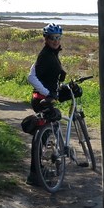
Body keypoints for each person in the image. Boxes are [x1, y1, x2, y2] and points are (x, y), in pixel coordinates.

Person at [26, 23, 66, 185]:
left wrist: (57, 89)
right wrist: (47, 92)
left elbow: (46, 75)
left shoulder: (51, 53)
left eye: (58, 38)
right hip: (42, 100)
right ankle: (35, 173)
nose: (55, 41)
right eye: (52, 38)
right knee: (41, 136)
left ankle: (38, 170)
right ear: (46, 38)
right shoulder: (46, 55)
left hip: (45, 98)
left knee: (46, 133)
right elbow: (31, 77)